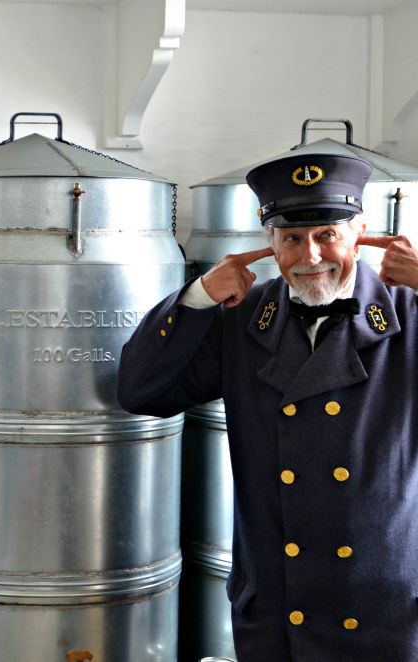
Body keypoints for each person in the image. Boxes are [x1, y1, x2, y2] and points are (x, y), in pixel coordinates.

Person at [117, 152, 418, 660]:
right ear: (270, 242)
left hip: (382, 608)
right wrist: (197, 297)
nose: (311, 255)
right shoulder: (245, 319)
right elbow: (142, 392)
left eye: (328, 234)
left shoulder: (408, 312)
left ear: (362, 232)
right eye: (292, 239)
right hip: (279, 606)